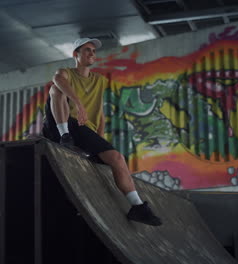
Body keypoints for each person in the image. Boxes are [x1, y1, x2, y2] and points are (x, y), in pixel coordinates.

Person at [42, 38, 162, 226]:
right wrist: (77, 102)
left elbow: (99, 112)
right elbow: (57, 80)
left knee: (117, 158)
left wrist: (99, 140)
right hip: (57, 125)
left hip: (82, 128)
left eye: (93, 51)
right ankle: (64, 135)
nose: (92, 54)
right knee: (57, 89)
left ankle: (138, 207)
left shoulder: (99, 81)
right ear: (76, 55)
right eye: (87, 50)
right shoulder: (65, 73)